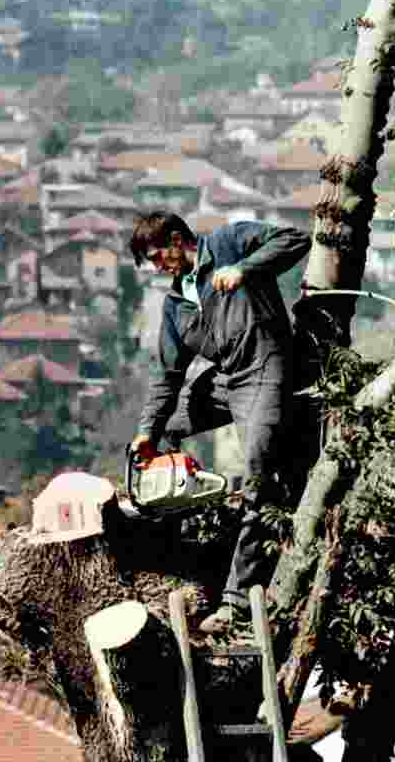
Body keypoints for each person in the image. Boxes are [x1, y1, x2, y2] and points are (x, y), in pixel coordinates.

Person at [128, 211, 311, 633]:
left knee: (258, 478)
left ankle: (235, 599)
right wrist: (145, 434)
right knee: (165, 428)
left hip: (265, 367)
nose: (159, 268)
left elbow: (295, 239)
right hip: (225, 377)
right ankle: (183, 527)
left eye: (159, 257)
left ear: (177, 239)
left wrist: (244, 270)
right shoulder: (176, 304)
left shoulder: (228, 242)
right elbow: (167, 375)